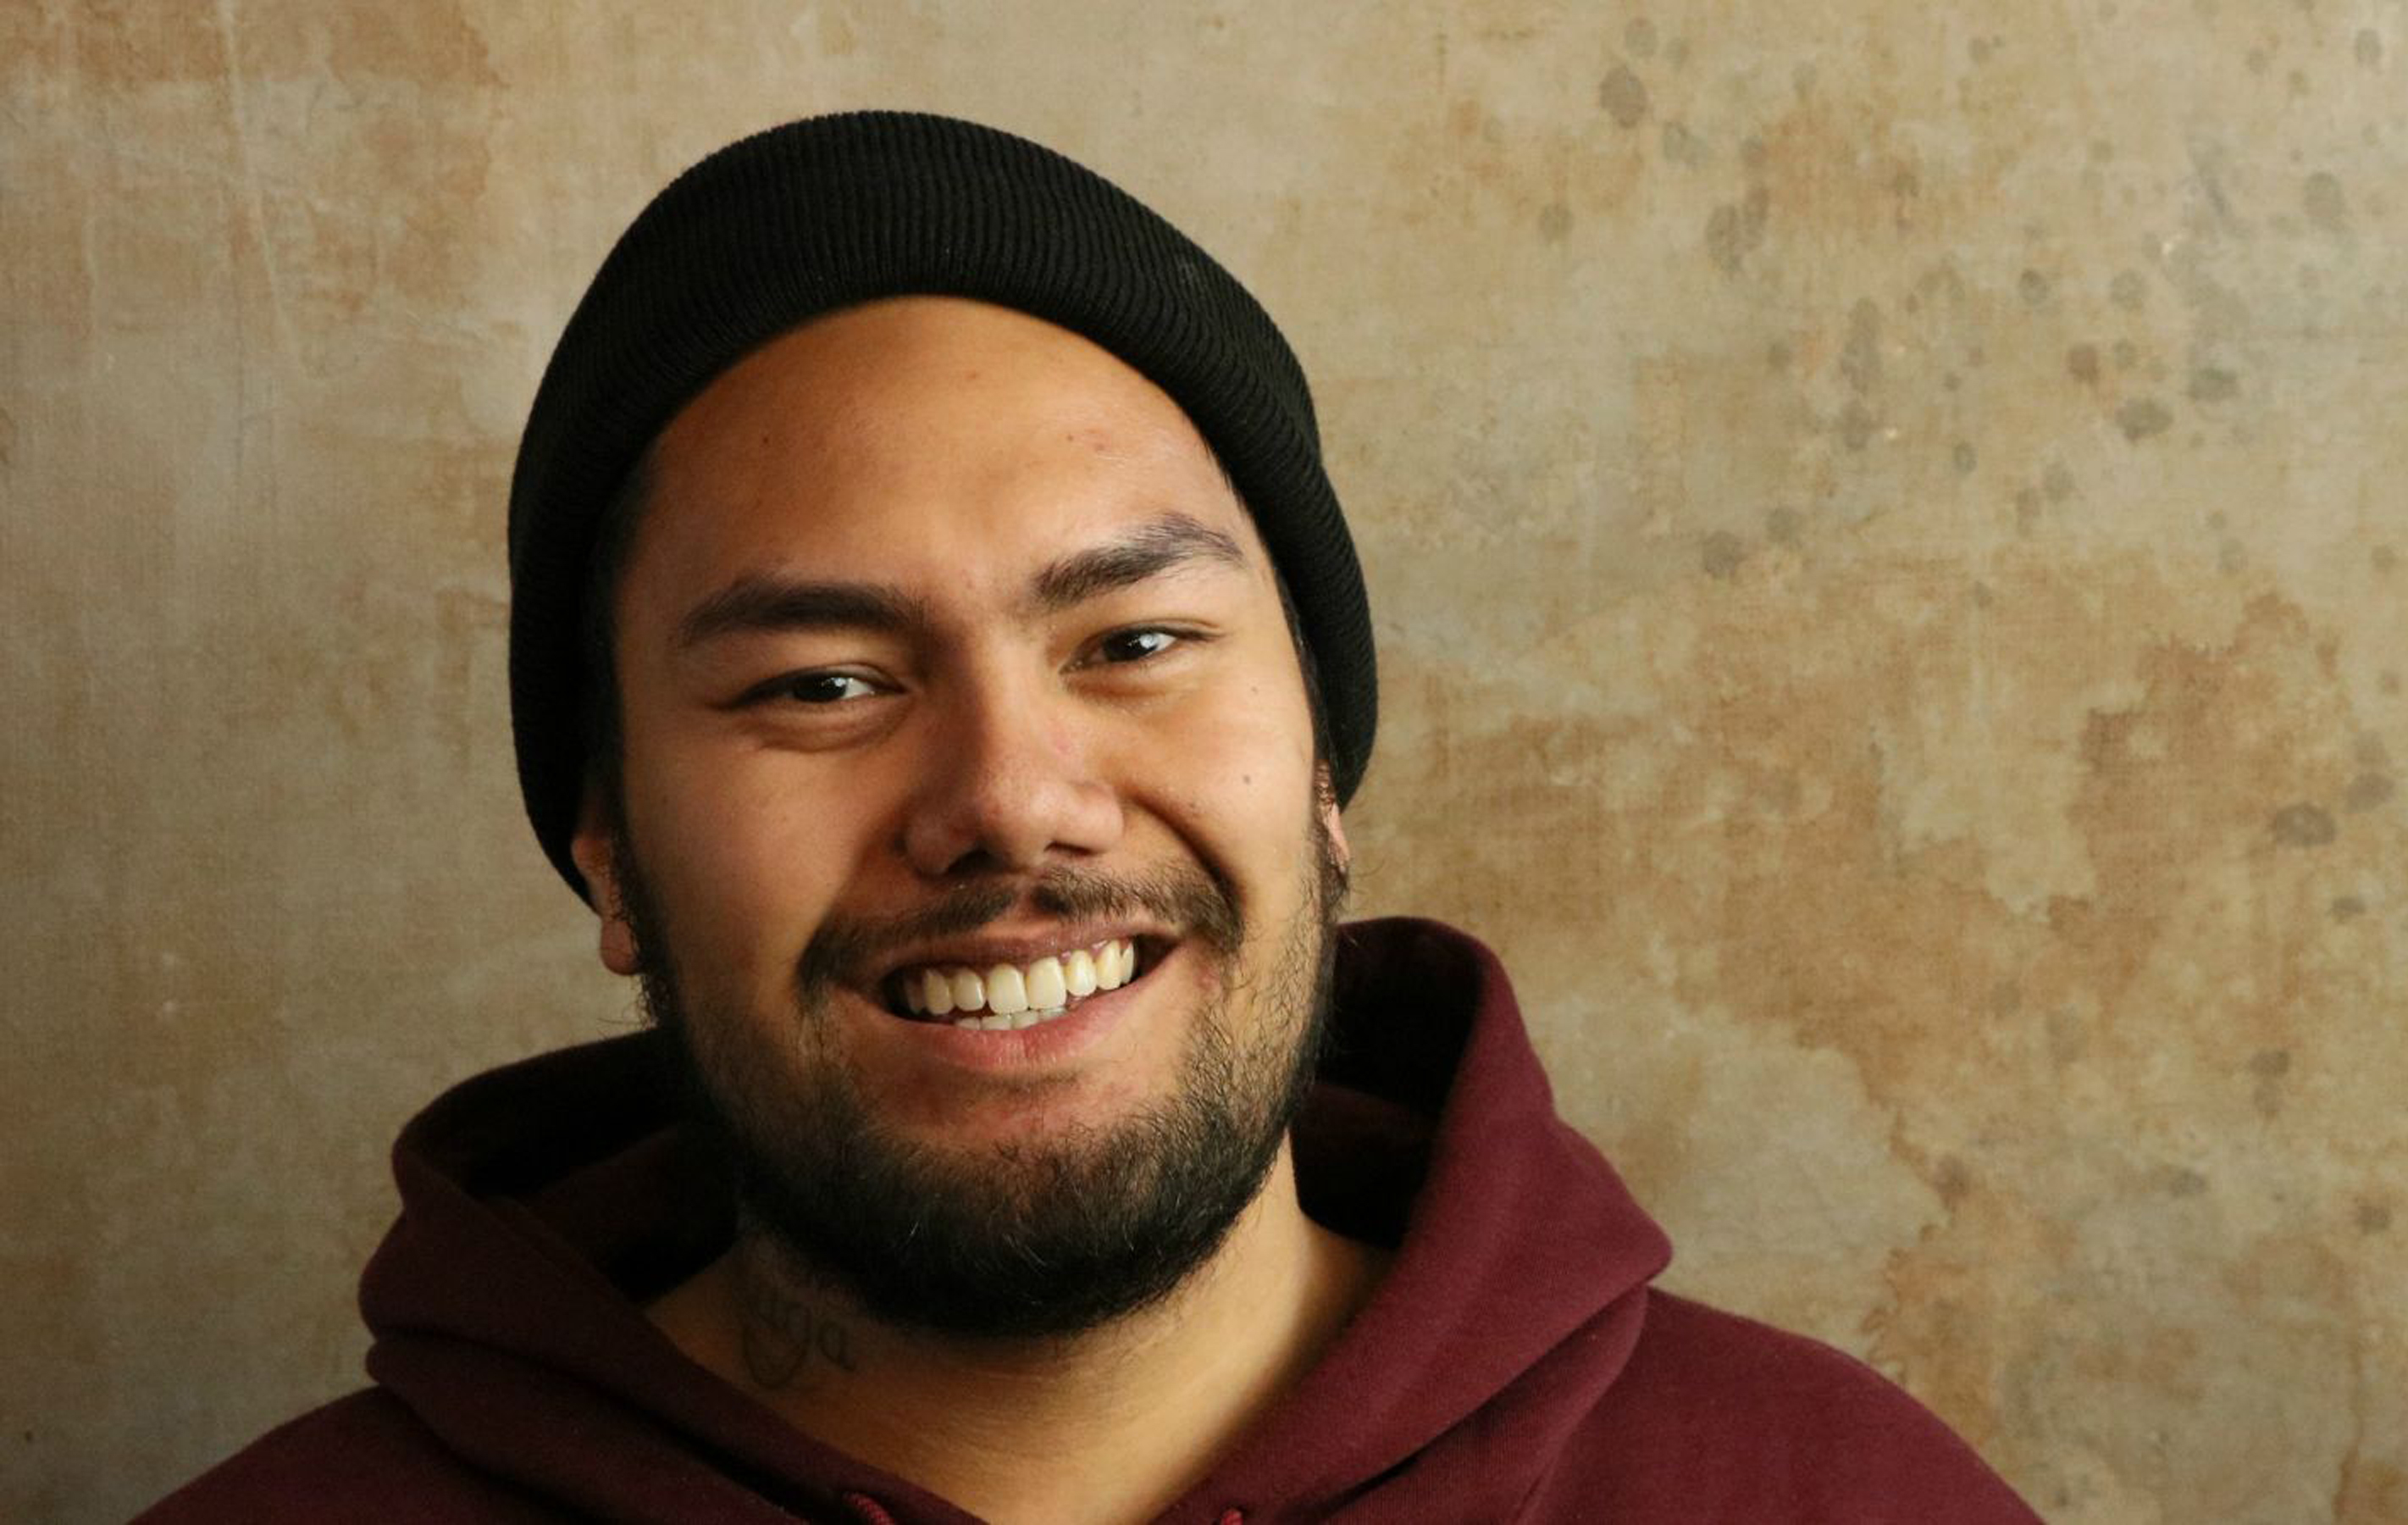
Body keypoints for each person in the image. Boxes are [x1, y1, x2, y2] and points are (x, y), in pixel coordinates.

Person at [147, 111, 2035, 1524]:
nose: (1006, 799)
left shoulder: (1825, 1493)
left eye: (1133, 640)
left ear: (1318, 767)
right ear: (609, 850)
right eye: (821, 684)